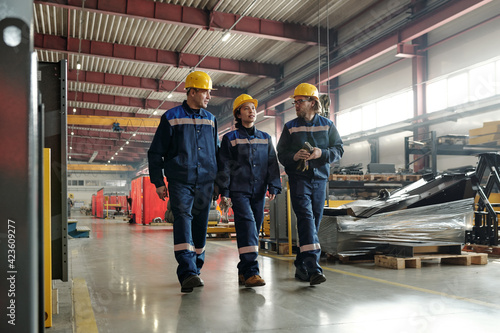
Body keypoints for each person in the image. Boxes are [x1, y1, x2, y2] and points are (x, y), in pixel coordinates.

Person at [148, 71, 219, 293]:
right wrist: (158, 181)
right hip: (181, 181)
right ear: (192, 91)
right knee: (183, 221)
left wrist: (219, 183)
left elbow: (215, 153)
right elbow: (156, 152)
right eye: (206, 91)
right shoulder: (171, 117)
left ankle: (195, 270)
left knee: (200, 225)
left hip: (206, 182)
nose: (208, 96)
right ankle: (187, 272)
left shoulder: (211, 119)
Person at [276, 83, 344, 286]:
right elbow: (281, 154)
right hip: (299, 180)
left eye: (300, 101)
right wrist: (294, 155)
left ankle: (301, 265)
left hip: (319, 180)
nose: (296, 105)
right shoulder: (290, 127)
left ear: (312, 102)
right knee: (306, 218)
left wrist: (320, 153)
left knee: (313, 222)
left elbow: (338, 149)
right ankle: (314, 268)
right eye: (295, 102)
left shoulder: (327, 125)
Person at [217, 94, 281, 287]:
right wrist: (225, 192)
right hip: (239, 191)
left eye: (253, 108)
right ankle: (252, 271)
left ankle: (243, 270)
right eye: (246, 108)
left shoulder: (265, 138)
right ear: (238, 113)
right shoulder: (230, 139)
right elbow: (225, 167)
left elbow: (272, 163)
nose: (251, 111)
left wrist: (274, 185)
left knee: (254, 227)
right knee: (248, 227)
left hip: (259, 191)